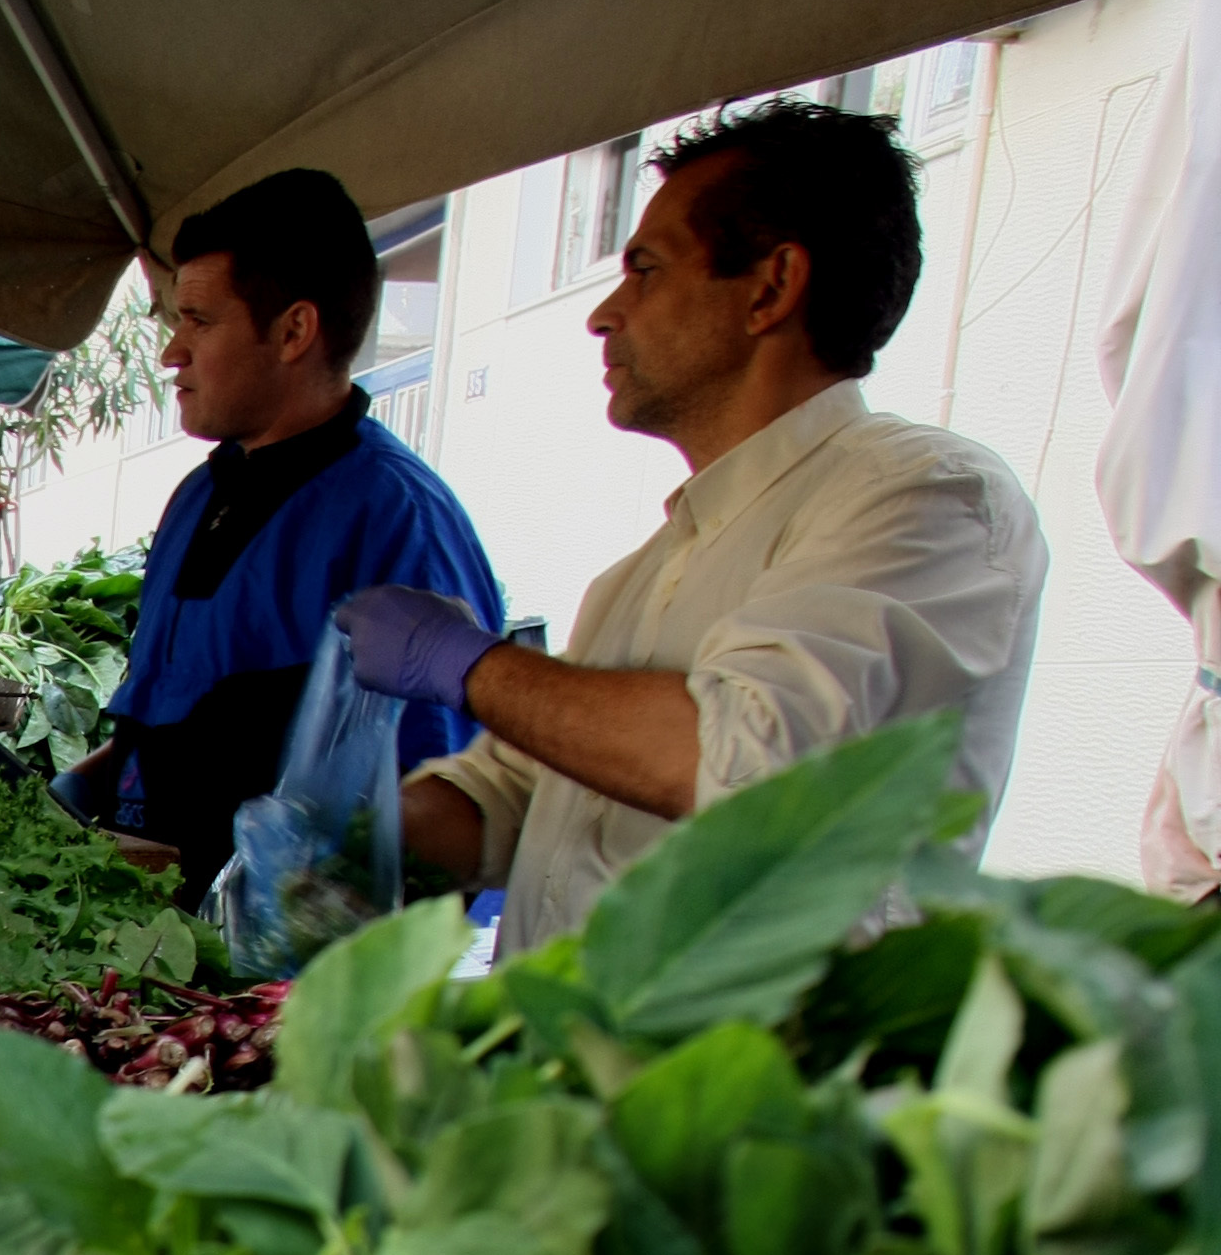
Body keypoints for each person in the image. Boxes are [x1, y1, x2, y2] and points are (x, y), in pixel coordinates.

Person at [343, 101, 1048, 949]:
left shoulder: (927, 495)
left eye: (646, 270)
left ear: (770, 288)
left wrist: (469, 664)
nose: (605, 314)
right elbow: (519, 794)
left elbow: (748, 762)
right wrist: (359, 840)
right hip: (567, 1029)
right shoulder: (647, 571)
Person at [52, 169, 501, 903]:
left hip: (271, 960)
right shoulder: (198, 496)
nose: (171, 352)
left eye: (199, 321)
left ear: (294, 331)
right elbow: (169, 716)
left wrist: (281, 914)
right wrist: (78, 786)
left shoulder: (397, 520)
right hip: (139, 931)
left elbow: (445, 805)